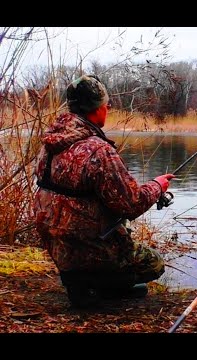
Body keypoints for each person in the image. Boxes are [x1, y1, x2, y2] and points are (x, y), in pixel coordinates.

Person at [34, 74, 175, 308]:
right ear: (96, 109)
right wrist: (157, 186)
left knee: (118, 225)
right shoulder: (98, 150)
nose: (107, 109)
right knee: (155, 264)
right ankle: (100, 286)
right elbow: (132, 204)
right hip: (87, 245)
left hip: (58, 245)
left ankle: (78, 281)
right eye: (105, 105)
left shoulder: (50, 144)